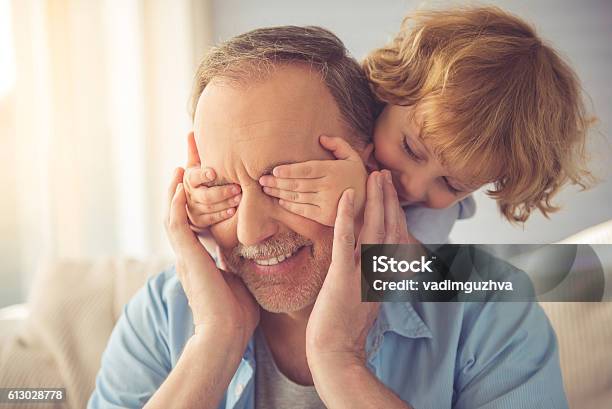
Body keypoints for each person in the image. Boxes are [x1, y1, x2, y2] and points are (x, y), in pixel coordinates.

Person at [88, 25, 568, 409]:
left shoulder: (487, 307)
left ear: (358, 159)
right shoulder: (163, 312)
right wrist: (214, 342)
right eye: (225, 187)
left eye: (286, 181)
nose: (410, 188)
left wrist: (340, 362)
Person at [187, 6, 594, 245]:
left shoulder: (433, 221)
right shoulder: (332, 116)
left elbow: (418, 281)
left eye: (451, 185)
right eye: (412, 149)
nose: (413, 187)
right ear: (388, 90)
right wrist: (209, 200)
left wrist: (362, 210)